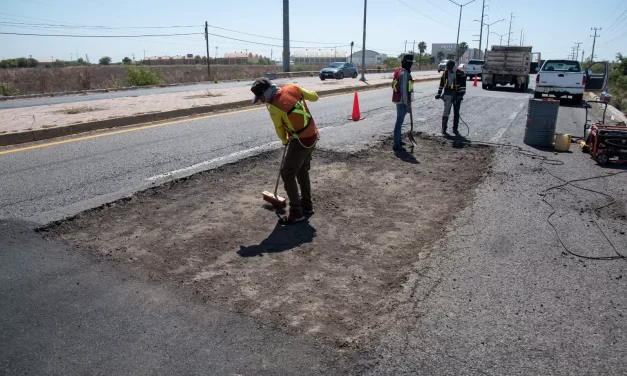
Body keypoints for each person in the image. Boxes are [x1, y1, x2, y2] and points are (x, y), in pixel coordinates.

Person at [251, 77, 319, 225]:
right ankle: (306, 205)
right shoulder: (292, 87)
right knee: (302, 170)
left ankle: (296, 211)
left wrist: (285, 140)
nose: (261, 101)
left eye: (261, 97)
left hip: (300, 140)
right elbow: (314, 97)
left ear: (267, 92)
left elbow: (279, 128)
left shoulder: (275, 107)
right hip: (313, 134)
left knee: (287, 173)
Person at [435, 60, 466, 136]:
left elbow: (463, 87)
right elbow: (441, 84)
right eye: (446, 67)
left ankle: (455, 129)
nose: (447, 68)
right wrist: (438, 93)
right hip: (448, 94)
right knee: (446, 112)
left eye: (449, 67)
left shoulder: (460, 73)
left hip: (457, 95)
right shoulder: (445, 73)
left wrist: (460, 96)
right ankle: (444, 129)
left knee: (456, 113)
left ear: (453, 66)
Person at [391, 54, 415, 151]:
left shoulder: (398, 71)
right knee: (399, 122)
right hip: (402, 101)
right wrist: (408, 104)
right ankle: (396, 144)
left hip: (398, 99)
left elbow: (392, 85)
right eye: (410, 63)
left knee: (400, 122)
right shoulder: (404, 73)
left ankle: (399, 140)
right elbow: (404, 91)